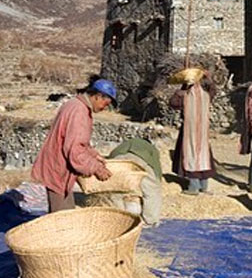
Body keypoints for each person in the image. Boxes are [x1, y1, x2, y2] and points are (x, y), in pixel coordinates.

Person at [31, 78, 115, 212]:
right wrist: (96, 168)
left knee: (67, 211)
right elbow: (75, 150)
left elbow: (78, 142)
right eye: (106, 103)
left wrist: (94, 155)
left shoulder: (75, 104)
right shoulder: (79, 112)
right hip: (57, 168)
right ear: (98, 96)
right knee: (61, 219)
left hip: (58, 167)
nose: (105, 108)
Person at [169, 70, 217, 195]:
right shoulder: (206, 95)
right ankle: (204, 186)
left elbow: (173, 103)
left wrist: (179, 92)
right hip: (202, 132)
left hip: (189, 131)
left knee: (191, 155)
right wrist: (209, 79)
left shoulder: (184, 95)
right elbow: (213, 91)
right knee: (203, 157)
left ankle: (193, 187)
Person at [107, 138, 163, 225]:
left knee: (116, 189)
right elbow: (156, 168)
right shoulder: (152, 149)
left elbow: (112, 155)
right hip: (141, 159)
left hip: (119, 158)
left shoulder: (127, 143)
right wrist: (157, 181)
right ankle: (150, 220)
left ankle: (118, 218)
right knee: (151, 190)